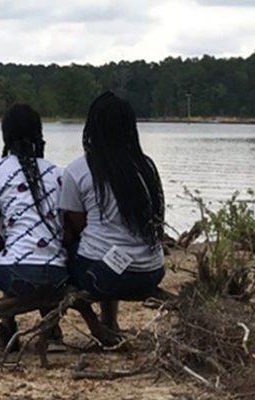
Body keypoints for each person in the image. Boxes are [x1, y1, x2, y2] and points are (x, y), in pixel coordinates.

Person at [58, 92, 167, 344]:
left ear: (92, 128)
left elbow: (77, 226)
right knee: (104, 244)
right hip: (151, 273)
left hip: (107, 277)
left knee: (69, 251)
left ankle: (91, 324)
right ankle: (109, 320)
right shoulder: (146, 166)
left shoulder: (78, 170)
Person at [0, 104, 70, 350]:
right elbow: (64, 229)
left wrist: (11, 247)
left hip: (19, 276)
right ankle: (51, 330)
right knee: (35, 252)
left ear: (5, 135)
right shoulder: (57, 173)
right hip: (58, 275)